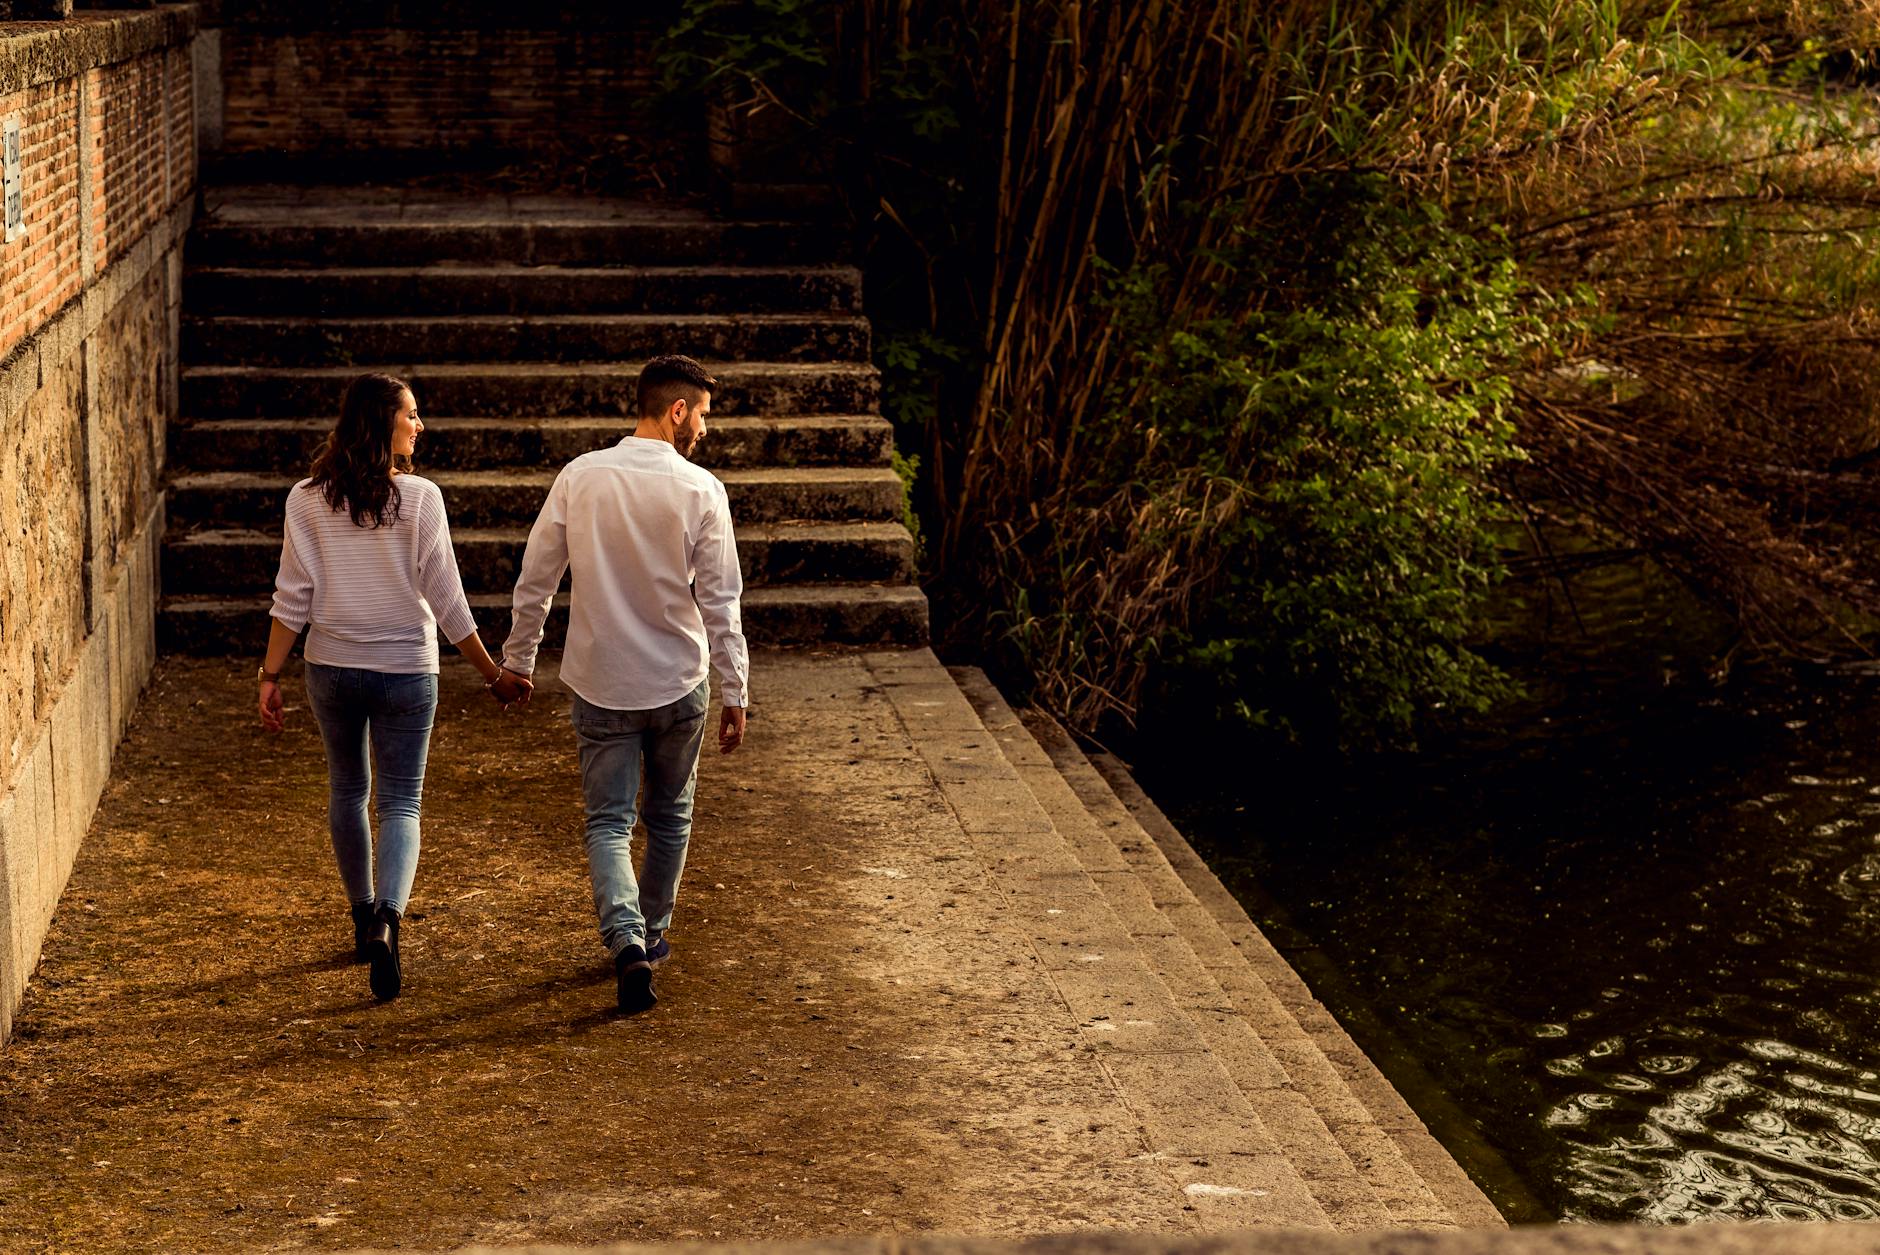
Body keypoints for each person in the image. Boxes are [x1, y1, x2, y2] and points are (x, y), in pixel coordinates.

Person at [257, 372, 530, 1002]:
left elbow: (291, 599)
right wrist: (491, 673)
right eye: (412, 414)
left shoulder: (305, 499)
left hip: (332, 665)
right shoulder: (422, 499)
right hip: (408, 667)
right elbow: (447, 598)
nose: (420, 424)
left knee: (348, 790)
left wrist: (270, 675)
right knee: (401, 802)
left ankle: (360, 918)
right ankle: (388, 919)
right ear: (384, 423)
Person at [496, 353, 749, 1015]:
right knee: (670, 817)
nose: (704, 431)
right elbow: (721, 599)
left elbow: (536, 578)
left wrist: (520, 660)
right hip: (678, 681)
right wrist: (735, 687)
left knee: (607, 823)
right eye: (702, 416)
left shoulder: (581, 477)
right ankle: (653, 930)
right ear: (677, 409)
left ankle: (627, 940)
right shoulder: (700, 489)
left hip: (601, 679)